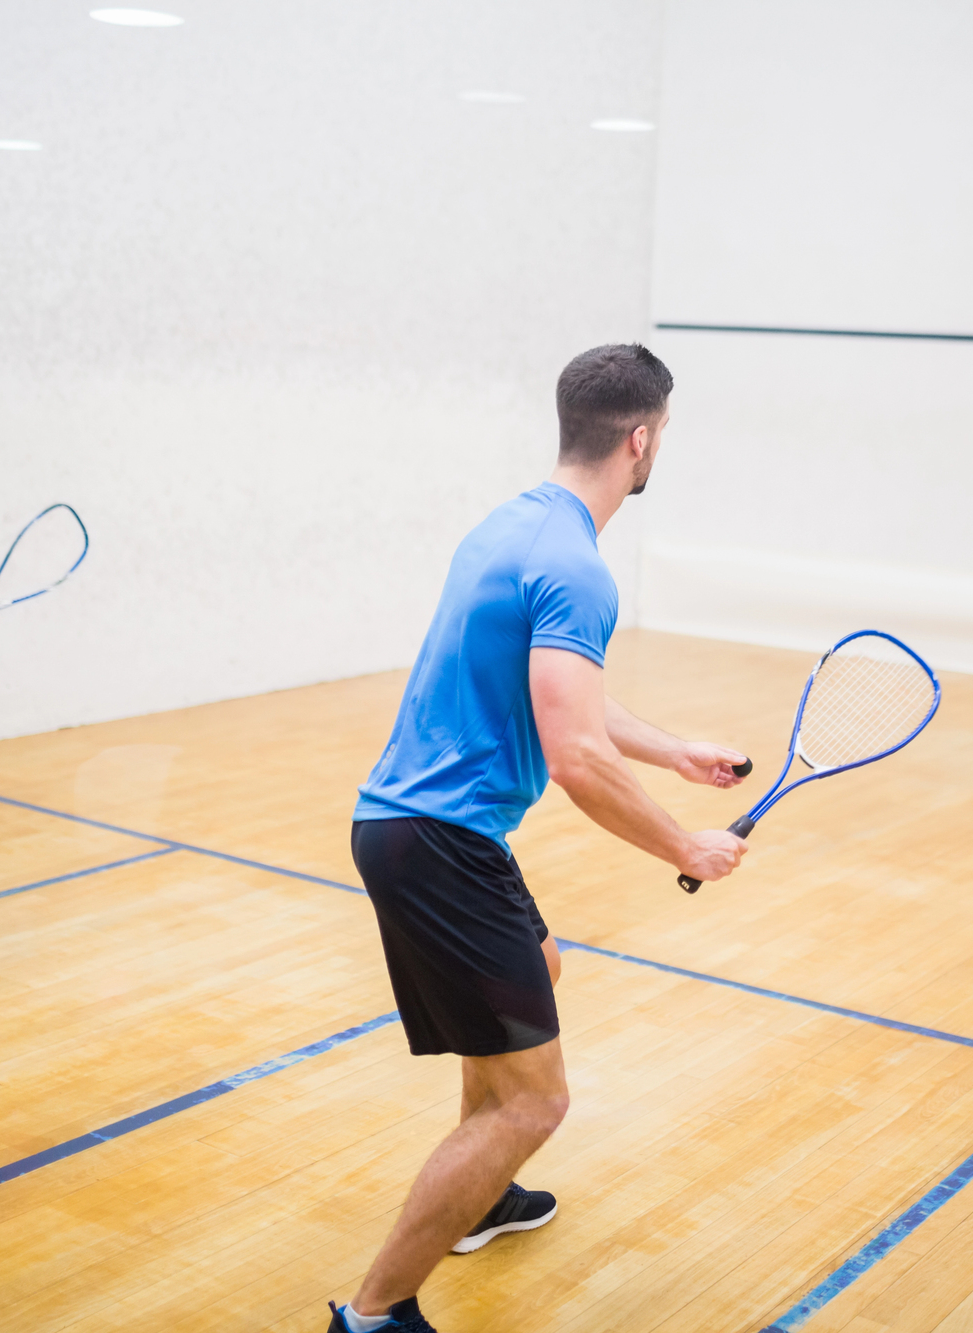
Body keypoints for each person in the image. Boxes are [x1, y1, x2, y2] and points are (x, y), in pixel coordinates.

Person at [331, 345, 749, 1333]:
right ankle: (372, 1312)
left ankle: (480, 1196)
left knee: (542, 964)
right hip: (439, 842)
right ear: (639, 439)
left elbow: (570, 705)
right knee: (533, 1103)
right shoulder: (579, 570)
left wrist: (677, 751)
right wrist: (684, 846)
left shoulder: (511, 526)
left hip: (421, 826)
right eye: (663, 437)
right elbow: (573, 755)